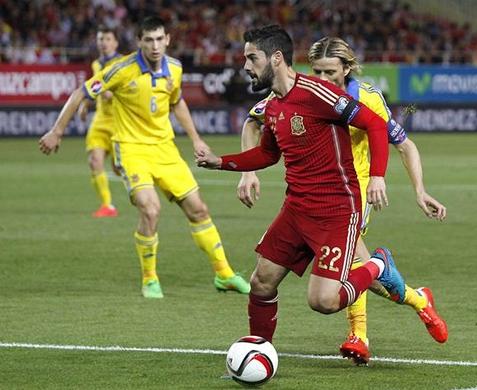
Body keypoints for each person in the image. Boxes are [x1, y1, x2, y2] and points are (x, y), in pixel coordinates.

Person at [237, 36, 448, 365]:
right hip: (313, 194)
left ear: (348, 69)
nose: (323, 79)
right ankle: (418, 299)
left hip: (355, 191)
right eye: (317, 71)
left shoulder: (366, 98)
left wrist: (419, 190)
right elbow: (254, 121)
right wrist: (248, 172)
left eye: (330, 72)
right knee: (366, 274)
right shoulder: (303, 93)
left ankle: (359, 335)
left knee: (350, 267)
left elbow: (404, 144)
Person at [196, 25, 408, 348]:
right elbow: (268, 154)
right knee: (261, 281)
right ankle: (258, 351)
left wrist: (377, 175)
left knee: (323, 301)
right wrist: (221, 162)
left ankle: (379, 263)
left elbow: (375, 123)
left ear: (276, 58)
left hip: (337, 210)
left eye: (252, 58)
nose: (246, 67)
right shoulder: (273, 106)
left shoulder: (317, 94)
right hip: (296, 209)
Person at [39, 16, 250, 298]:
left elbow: (177, 103)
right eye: (148, 40)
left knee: (198, 209)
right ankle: (150, 279)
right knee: (150, 209)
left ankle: (224, 274)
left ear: (167, 40)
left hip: (165, 149)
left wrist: (196, 139)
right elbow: (81, 92)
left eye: (159, 39)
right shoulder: (121, 70)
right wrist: (57, 131)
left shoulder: (174, 68)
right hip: (130, 149)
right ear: (139, 41)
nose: (154, 46)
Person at [78, 26, 122, 218]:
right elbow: (94, 86)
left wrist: (113, 93)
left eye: (107, 39)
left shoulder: (123, 63)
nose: (103, 42)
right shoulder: (96, 64)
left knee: (119, 168)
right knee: (94, 160)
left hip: (121, 122)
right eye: (100, 39)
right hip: (100, 120)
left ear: (115, 42)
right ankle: (107, 205)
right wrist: (86, 104)